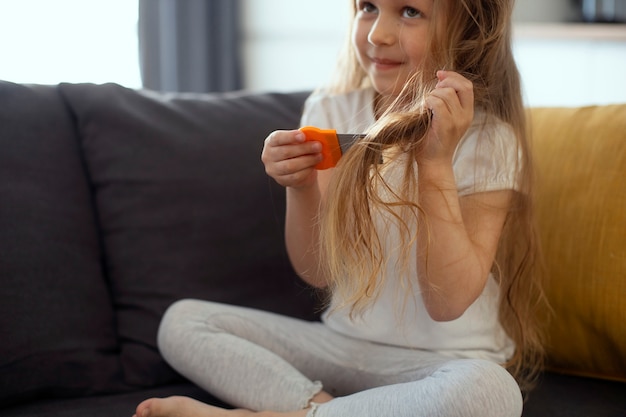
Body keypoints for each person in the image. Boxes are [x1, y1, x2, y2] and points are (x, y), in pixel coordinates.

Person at [134, 0, 547, 416]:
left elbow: (447, 303)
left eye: (409, 12)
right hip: (341, 346)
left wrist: (435, 163)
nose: (376, 34)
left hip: (443, 364)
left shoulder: (489, 142)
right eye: (368, 7)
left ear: (468, 33)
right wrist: (300, 188)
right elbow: (319, 271)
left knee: (490, 392)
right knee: (184, 322)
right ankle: (319, 410)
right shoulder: (331, 111)